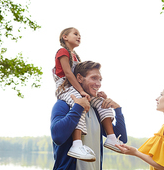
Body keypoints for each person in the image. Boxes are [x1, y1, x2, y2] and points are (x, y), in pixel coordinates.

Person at [52, 27, 123, 162]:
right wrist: (82, 91)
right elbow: (68, 73)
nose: (79, 37)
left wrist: (117, 109)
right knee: (79, 101)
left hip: (75, 87)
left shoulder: (75, 56)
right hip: (65, 86)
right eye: (75, 34)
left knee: (101, 102)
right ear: (65, 37)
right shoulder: (63, 52)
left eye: (80, 35)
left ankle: (111, 138)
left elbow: (124, 137)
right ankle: (76, 145)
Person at [51, 61, 128, 170]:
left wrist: (118, 110)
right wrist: (78, 107)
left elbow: (121, 140)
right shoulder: (63, 104)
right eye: (94, 78)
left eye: (100, 79)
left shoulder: (97, 111)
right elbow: (58, 137)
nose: (98, 84)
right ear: (80, 78)